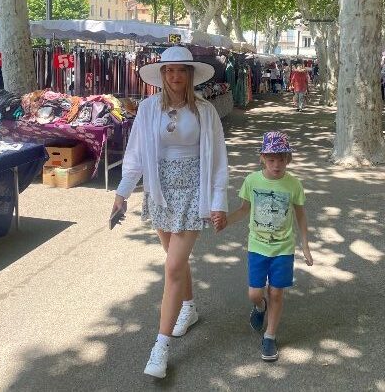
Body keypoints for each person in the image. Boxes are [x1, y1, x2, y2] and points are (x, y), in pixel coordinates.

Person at [111, 46, 228, 379]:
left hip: (194, 190)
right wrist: (121, 194)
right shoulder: (148, 108)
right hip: (159, 191)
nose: (174, 76)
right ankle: (188, 308)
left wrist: (218, 201)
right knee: (176, 261)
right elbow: (135, 155)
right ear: (161, 75)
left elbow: (218, 159)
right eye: (168, 71)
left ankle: (160, 348)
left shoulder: (205, 110)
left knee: (173, 265)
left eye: (180, 70)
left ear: (190, 74)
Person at [213, 131, 313, 362]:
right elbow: (244, 209)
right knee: (255, 294)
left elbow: (301, 217)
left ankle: (270, 335)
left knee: (277, 292)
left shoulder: (294, 184)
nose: (276, 164)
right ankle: (260, 307)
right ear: (262, 158)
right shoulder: (252, 181)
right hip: (257, 246)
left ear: (288, 159)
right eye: (271, 159)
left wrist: (305, 246)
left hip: (283, 249)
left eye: (281, 159)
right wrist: (227, 220)